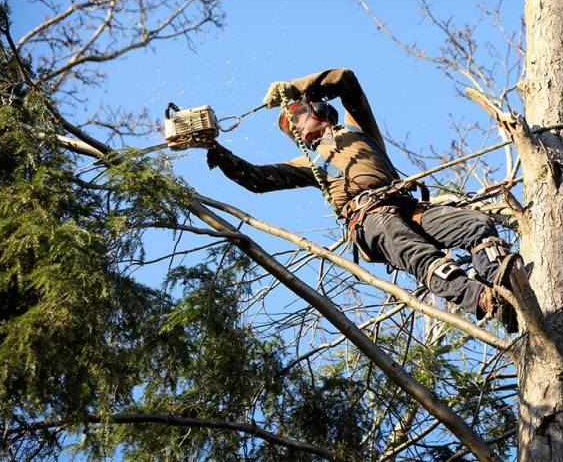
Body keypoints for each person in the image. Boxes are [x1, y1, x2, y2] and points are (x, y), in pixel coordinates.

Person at [206, 68, 518, 331]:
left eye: (298, 118)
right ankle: (482, 298)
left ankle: (507, 285)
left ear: (318, 109)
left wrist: (296, 87)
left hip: (408, 206)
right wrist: (218, 152)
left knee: (476, 225)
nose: (298, 129)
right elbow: (258, 179)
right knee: (415, 252)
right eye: (294, 129)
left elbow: (346, 80)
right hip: (369, 218)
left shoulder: (359, 130)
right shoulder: (308, 164)